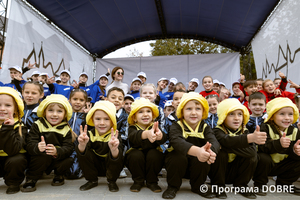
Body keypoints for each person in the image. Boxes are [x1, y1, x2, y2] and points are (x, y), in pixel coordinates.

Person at [163, 92, 219, 199]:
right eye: (189, 109)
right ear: (181, 112)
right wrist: (198, 151)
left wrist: (210, 152)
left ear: (203, 112)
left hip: (196, 167)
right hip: (178, 167)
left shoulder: (205, 127)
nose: (193, 112)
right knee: (176, 157)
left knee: (204, 156)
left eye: (198, 109)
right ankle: (172, 187)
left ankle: (198, 186)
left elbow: (214, 142)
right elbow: (176, 141)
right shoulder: (176, 125)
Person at [212, 98, 267, 199]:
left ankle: (241, 185)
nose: (236, 118)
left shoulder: (245, 131)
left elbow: (251, 152)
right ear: (223, 116)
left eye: (240, 114)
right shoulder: (216, 131)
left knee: (252, 157)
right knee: (221, 154)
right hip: (219, 173)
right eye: (231, 114)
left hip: (236, 172)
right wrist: (247, 140)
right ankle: (218, 186)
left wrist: (226, 146)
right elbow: (225, 140)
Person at [21, 94, 74, 192]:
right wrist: (37, 147)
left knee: (69, 160)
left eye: (59, 111)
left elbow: (68, 147)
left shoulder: (66, 129)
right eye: (50, 110)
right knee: (41, 157)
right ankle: (31, 178)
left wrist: (57, 151)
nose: (54, 114)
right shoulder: (37, 125)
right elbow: (29, 144)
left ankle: (59, 174)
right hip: (40, 158)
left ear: (65, 114)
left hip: (56, 158)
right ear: (44, 112)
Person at [253, 97, 300, 196]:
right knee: (263, 158)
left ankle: (285, 184)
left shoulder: (295, 131)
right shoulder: (265, 127)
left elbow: (294, 152)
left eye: (290, 114)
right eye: (282, 114)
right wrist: (278, 144)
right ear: (272, 116)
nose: (287, 117)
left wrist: (295, 151)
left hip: (283, 164)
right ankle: (260, 184)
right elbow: (261, 147)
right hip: (265, 165)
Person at [76, 101, 124, 192]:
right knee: (83, 151)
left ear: (112, 121)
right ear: (92, 120)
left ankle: (112, 181)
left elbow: (118, 157)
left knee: (118, 154)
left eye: (106, 119)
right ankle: (92, 180)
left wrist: (114, 150)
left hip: (110, 168)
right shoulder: (88, 134)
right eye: (98, 119)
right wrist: (82, 145)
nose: (102, 123)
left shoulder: (116, 136)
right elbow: (83, 154)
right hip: (95, 167)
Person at [126, 98, 166, 192]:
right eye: (140, 112)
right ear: (134, 118)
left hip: (153, 155)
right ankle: (138, 181)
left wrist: (160, 136)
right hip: (136, 154)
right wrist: (146, 134)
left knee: (155, 154)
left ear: (153, 116)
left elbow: (164, 138)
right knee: (134, 155)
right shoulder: (132, 128)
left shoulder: (155, 126)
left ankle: (152, 182)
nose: (145, 114)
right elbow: (132, 137)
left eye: (148, 111)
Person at [0, 87, 27, 194]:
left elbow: (14, 150)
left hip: (11, 159)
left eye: (8, 105)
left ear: (16, 109)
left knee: (17, 159)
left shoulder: (20, 126)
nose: (2, 108)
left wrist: (7, 128)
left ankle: (13, 183)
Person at [66, 89, 89, 179]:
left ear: (85, 102)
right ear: (69, 100)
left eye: (81, 100)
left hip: (80, 148)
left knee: (74, 173)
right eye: (75, 99)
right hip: (66, 147)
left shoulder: (86, 116)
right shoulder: (65, 114)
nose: (78, 102)